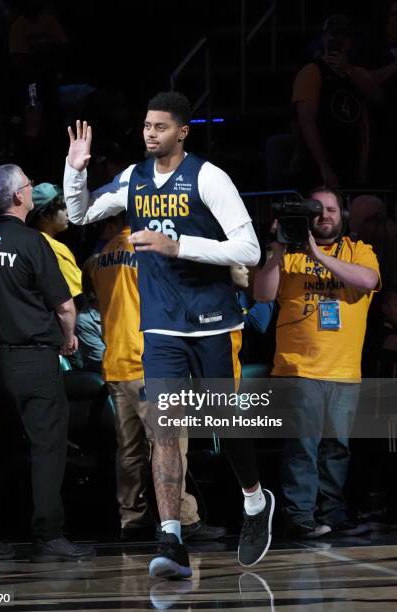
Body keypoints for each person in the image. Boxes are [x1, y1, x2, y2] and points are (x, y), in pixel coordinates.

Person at [64, 92, 274, 579]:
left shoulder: (208, 177)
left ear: (182, 132)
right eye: (145, 125)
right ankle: (171, 537)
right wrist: (75, 170)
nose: (150, 133)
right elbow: (79, 214)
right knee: (163, 428)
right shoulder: (134, 179)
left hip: (211, 320)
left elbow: (249, 247)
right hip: (159, 326)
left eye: (160, 126)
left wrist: (177, 246)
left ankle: (254, 500)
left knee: (225, 423)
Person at [0, 163, 95, 562]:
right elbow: (64, 305)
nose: (29, 189)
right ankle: (48, 536)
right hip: (36, 359)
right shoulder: (32, 242)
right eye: (27, 184)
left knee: (0, 451)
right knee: (48, 448)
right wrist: (69, 337)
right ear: (17, 197)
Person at [85, 214, 226, 542]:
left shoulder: (99, 258)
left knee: (129, 450)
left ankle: (132, 519)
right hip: (150, 363)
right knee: (170, 444)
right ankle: (183, 519)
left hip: (116, 365)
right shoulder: (148, 251)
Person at [254, 186, 380, 538]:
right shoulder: (288, 254)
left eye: (332, 210)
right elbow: (262, 293)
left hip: (344, 370)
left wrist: (316, 253)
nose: (324, 215)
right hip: (298, 369)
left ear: (344, 216)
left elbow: (367, 280)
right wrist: (278, 249)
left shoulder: (360, 251)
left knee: (336, 449)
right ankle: (300, 516)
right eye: (318, 210)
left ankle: (333, 514)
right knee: (302, 446)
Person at [291, 14, 382, 189]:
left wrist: (347, 70)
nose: (337, 39)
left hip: (351, 162)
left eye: (343, 35)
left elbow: (377, 99)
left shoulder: (356, 74)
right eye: (333, 34)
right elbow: (306, 124)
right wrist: (324, 167)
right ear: (324, 37)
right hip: (321, 166)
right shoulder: (312, 72)